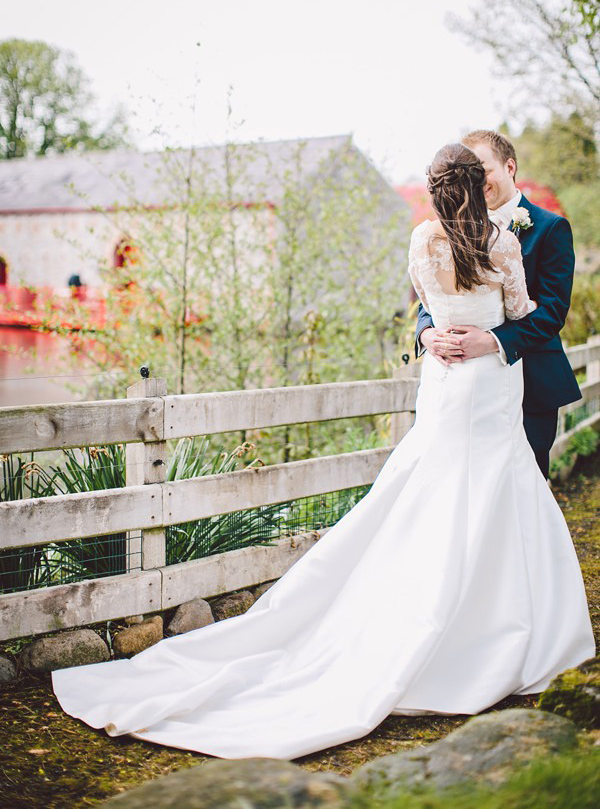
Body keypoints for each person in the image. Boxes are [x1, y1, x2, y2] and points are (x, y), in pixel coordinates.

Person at [51, 143, 595, 762]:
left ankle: (492, 624)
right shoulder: (498, 241)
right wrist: (435, 333)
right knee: (459, 501)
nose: (491, 185)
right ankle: (477, 637)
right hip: (472, 383)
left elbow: (546, 315)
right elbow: (456, 308)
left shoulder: (473, 234)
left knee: (486, 498)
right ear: (479, 181)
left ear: (505, 172)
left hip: (480, 385)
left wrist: (484, 337)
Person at [416, 130, 581, 479]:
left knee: (524, 486)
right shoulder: (441, 233)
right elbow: (431, 298)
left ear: (509, 166)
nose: (476, 180)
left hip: (530, 383)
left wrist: (492, 341)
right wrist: (427, 334)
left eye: (483, 169)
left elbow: (551, 313)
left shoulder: (551, 228)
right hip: (461, 388)